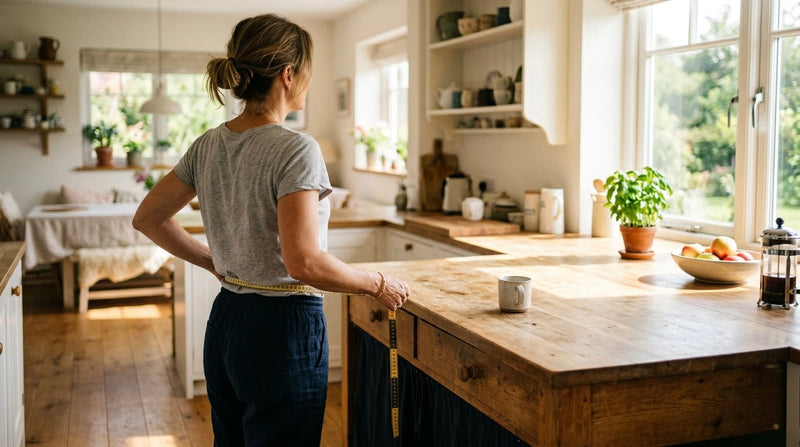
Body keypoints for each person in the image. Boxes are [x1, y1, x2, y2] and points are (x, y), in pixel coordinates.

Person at [133, 13, 410, 446]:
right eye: (308, 72)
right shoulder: (296, 148)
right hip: (283, 331)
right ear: (288, 74)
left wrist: (213, 262)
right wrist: (376, 284)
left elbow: (148, 218)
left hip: (226, 321)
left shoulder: (208, 143)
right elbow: (305, 263)